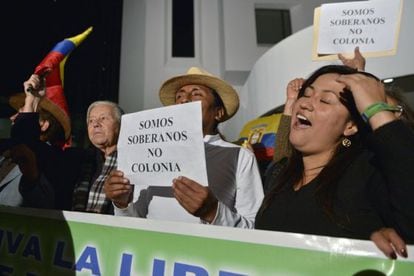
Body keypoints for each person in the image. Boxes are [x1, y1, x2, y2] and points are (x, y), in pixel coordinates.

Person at [255, 64, 414, 260]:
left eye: (325, 100)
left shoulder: (368, 173)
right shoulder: (278, 173)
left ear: (350, 126)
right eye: (306, 94)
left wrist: (376, 109)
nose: (305, 104)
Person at [105, 67, 264, 228]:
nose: (184, 100)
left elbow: (254, 227)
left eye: (196, 94)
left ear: (218, 112)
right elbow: (135, 221)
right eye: (179, 96)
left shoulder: (240, 156)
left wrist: (213, 212)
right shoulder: (152, 152)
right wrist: (121, 203)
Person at [9, 75, 123, 213]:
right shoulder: (72, 159)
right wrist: (32, 100)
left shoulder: (133, 164)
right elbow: (25, 147)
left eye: (103, 118)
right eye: (91, 121)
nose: (96, 124)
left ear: (121, 125)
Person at [0, 74, 69, 207]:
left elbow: (25, 139)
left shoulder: (48, 156)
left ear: (44, 125)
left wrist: (32, 100)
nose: (13, 118)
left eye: (22, 113)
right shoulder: (5, 152)